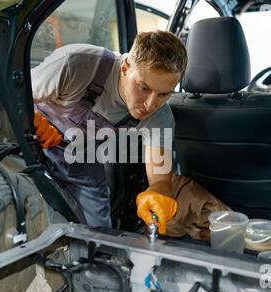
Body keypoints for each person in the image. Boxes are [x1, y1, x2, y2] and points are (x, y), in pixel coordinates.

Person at [31, 30, 187, 234]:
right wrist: (31, 118)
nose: (150, 105)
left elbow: (160, 178)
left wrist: (157, 193)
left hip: (80, 159)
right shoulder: (77, 63)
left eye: (164, 94)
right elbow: (9, 94)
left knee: (99, 234)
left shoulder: (160, 117)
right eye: (143, 88)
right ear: (125, 68)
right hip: (30, 144)